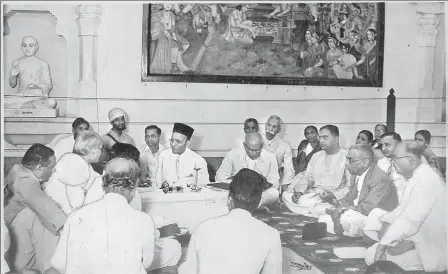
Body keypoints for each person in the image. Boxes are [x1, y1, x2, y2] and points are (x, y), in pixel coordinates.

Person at [50, 158, 157, 274]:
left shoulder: (76, 217)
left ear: (103, 184)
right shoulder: (144, 220)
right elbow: (147, 262)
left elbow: (59, 263)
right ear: (134, 188)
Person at [178, 168, 282, 274]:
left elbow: (190, 270)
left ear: (229, 199)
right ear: (258, 202)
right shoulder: (271, 234)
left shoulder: (203, 227)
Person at [365, 141, 446, 272]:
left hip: (430, 246)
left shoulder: (426, 180)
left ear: (411, 161)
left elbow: (411, 220)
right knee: (377, 222)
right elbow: (403, 209)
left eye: (395, 158)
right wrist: (386, 221)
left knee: (372, 255)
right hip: (417, 237)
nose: (392, 163)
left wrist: (384, 244)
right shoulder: (417, 176)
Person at [4, 144, 66, 273]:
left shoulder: (17, 171)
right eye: (52, 167)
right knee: (42, 220)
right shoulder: (25, 180)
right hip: (13, 253)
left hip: (13, 241)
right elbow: (51, 212)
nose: (54, 170)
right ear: (38, 168)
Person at [318, 145, 398, 237]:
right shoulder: (357, 174)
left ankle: (343, 227)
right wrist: (335, 202)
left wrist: (342, 210)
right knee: (322, 214)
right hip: (357, 212)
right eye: (346, 159)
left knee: (344, 221)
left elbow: (368, 208)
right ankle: (342, 227)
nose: (347, 163)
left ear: (365, 162)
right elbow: (349, 199)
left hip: (376, 218)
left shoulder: (379, 178)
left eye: (351, 160)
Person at [283, 125, 351, 217]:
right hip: (314, 194)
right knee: (286, 195)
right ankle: (319, 211)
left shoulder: (347, 157)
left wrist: (333, 195)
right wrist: (300, 191)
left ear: (336, 138)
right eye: (320, 137)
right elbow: (307, 177)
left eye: (325, 137)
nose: (321, 141)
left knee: (317, 204)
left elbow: (349, 187)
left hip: (334, 197)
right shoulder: (316, 156)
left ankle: (317, 210)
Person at [44, 131, 103, 214]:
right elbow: (76, 204)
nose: (101, 152)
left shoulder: (76, 160)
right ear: (93, 150)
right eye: (100, 149)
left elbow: (96, 178)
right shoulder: (75, 165)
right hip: (62, 216)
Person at [216, 132, 280, 208]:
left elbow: (274, 183)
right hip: (236, 193)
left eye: (257, 150)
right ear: (245, 146)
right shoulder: (232, 154)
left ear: (262, 145)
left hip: (259, 194)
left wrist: (262, 184)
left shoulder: (271, 157)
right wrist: (233, 181)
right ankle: (253, 207)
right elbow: (219, 177)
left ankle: (248, 206)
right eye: (251, 150)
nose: (254, 153)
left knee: (274, 193)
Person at [5, 36, 57, 109]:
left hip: (37, 97)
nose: (27, 49)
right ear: (21, 47)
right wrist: (13, 76)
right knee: (3, 101)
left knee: (52, 102)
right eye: (24, 45)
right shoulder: (17, 62)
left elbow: (48, 86)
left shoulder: (43, 63)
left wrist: (36, 85)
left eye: (31, 46)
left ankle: (26, 105)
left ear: (36, 47)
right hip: (21, 96)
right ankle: (27, 105)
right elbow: (12, 85)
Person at [156, 123, 209, 188]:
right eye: (172, 140)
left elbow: (204, 185)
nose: (173, 144)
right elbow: (159, 181)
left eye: (178, 141)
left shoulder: (198, 160)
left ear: (187, 144)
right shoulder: (163, 155)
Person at [262, 115, 295, 188]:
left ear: (279, 129)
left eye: (274, 127)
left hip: (274, 181)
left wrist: (284, 184)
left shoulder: (285, 146)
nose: (270, 129)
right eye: (268, 125)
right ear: (265, 125)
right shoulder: (256, 141)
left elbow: (289, 169)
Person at [376, 132, 407, 198]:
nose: (383, 149)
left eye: (387, 145)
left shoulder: (408, 163)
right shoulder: (384, 161)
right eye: (382, 145)